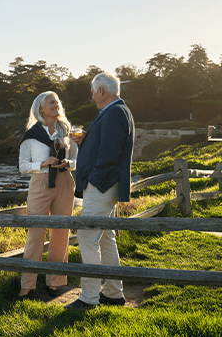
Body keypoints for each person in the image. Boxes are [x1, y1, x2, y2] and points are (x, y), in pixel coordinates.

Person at [66, 72, 135, 309]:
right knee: (106, 238)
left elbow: (109, 154)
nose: (92, 96)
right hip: (106, 184)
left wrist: (93, 181)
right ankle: (114, 293)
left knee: (86, 235)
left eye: (93, 92)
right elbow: (104, 146)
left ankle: (89, 297)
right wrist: (86, 140)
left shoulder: (115, 112)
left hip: (102, 185)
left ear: (102, 91)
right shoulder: (114, 111)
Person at [18, 91, 78, 298]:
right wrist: (42, 163)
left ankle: (56, 281)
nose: (56, 104)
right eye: (51, 102)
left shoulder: (67, 131)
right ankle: (27, 284)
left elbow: (78, 160)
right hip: (40, 183)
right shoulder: (31, 135)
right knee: (35, 233)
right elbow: (23, 166)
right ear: (40, 108)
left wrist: (68, 163)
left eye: (57, 101)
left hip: (65, 182)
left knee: (61, 232)